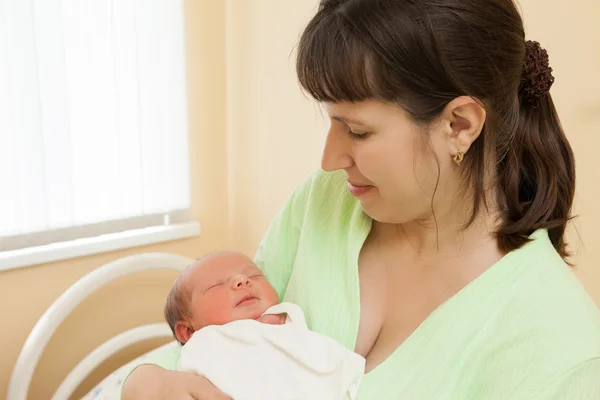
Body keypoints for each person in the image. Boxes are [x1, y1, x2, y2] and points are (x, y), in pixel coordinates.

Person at [123, 0, 600, 398]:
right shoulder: (323, 205)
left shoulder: (562, 348)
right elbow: (215, 339)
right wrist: (143, 380)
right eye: (330, 121)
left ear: (459, 125)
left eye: (357, 130)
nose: (330, 159)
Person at [163, 251, 365, 400]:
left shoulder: (285, 322)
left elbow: (312, 355)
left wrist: (283, 322)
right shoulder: (204, 343)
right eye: (217, 285)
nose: (242, 281)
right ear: (188, 331)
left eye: (254, 276)